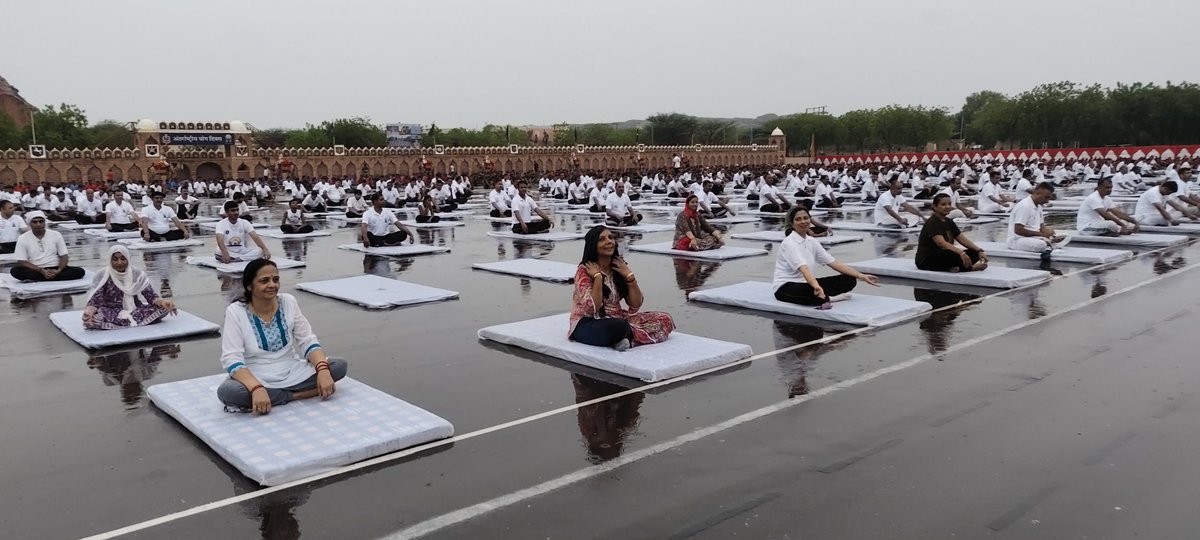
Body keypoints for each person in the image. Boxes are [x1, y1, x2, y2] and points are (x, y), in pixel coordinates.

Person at [216, 259, 348, 414]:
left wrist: (323, 370)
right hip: (257, 375)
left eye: (275, 279)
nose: (272, 285)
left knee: (338, 366)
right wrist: (257, 388)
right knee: (229, 392)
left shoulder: (288, 301)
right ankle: (296, 395)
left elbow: (307, 340)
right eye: (264, 281)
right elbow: (232, 358)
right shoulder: (236, 311)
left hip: (292, 370)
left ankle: (275, 398)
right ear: (249, 286)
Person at [569, 225, 674, 351]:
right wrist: (597, 277)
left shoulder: (618, 267)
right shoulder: (585, 270)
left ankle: (624, 338)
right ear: (593, 245)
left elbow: (635, 304)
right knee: (618, 326)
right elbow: (591, 308)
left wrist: (630, 276)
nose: (608, 241)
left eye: (610, 238)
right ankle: (626, 336)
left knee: (665, 318)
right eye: (601, 239)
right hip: (588, 323)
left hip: (617, 318)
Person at [773, 205, 880, 309]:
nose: (803, 222)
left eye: (806, 218)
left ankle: (821, 294)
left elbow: (834, 263)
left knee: (849, 279)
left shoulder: (811, 241)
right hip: (785, 287)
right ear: (792, 224)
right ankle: (829, 297)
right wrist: (816, 286)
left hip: (807, 282)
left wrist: (861, 276)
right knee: (811, 292)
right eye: (798, 219)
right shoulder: (790, 243)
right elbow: (804, 269)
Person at [82, 245, 176, 329]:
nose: (119, 263)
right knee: (95, 319)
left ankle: (125, 322)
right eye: (115, 259)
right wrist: (89, 312)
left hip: (135, 310)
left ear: (128, 259)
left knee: (163, 309)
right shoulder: (102, 275)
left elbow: (151, 296)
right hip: (110, 311)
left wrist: (163, 302)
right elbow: (95, 301)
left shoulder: (137, 274)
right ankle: (134, 322)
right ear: (110, 260)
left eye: (123, 259)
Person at [916, 194, 989, 272]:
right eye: (943, 204)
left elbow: (962, 239)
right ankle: (970, 268)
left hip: (944, 256)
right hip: (926, 260)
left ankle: (953, 267)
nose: (947, 207)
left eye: (949, 204)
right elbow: (941, 243)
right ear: (935, 206)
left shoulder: (949, 221)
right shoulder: (932, 222)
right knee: (950, 254)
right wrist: (961, 253)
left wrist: (979, 250)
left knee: (974, 252)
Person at [9, 211, 87, 282]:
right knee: (15, 271)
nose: (38, 224)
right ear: (30, 224)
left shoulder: (56, 234)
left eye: (41, 221)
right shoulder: (23, 238)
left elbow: (64, 256)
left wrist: (59, 270)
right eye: (34, 222)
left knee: (80, 271)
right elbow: (21, 261)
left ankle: (46, 277)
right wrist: (41, 271)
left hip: (55, 268)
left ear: (44, 222)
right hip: (35, 269)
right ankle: (50, 277)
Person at [1007, 182, 1070, 259]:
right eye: (1046, 197)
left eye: (1049, 198)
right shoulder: (1025, 206)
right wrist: (1042, 235)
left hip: (1035, 237)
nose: (1047, 201)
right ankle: (1048, 246)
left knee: (1067, 236)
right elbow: (1018, 230)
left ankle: (1049, 245)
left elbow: (1041, 226)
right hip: (1018, 240)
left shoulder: (1039, 206)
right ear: (1037, 193)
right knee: (1040, 245)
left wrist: (1050, 234)